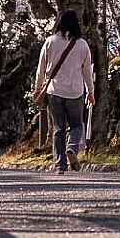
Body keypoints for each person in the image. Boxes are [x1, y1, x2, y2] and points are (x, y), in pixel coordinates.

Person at [32, 10, 95, 174]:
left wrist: (38, 88)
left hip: (55, 91)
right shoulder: (82, 44)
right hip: (75, 91)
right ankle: (72, 147)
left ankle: (60, 165)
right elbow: (87, 72)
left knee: (58, 128)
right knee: (76, 125)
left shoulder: (50, 41)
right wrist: (91, 92)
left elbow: (41, 68)